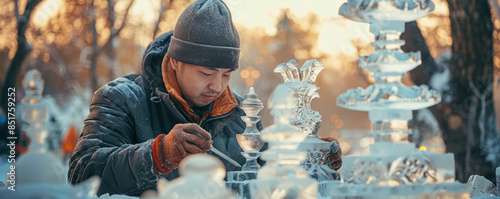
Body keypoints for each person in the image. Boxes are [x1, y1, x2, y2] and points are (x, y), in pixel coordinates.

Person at [68, 0, 342, 196]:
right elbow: (81, 172)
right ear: (175, 62)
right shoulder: (122, 98)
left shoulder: (241, 116)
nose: (217, 85)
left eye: (226, 75)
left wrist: (305, 157)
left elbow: (265, 179)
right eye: (206, 73)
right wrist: (158, 154)